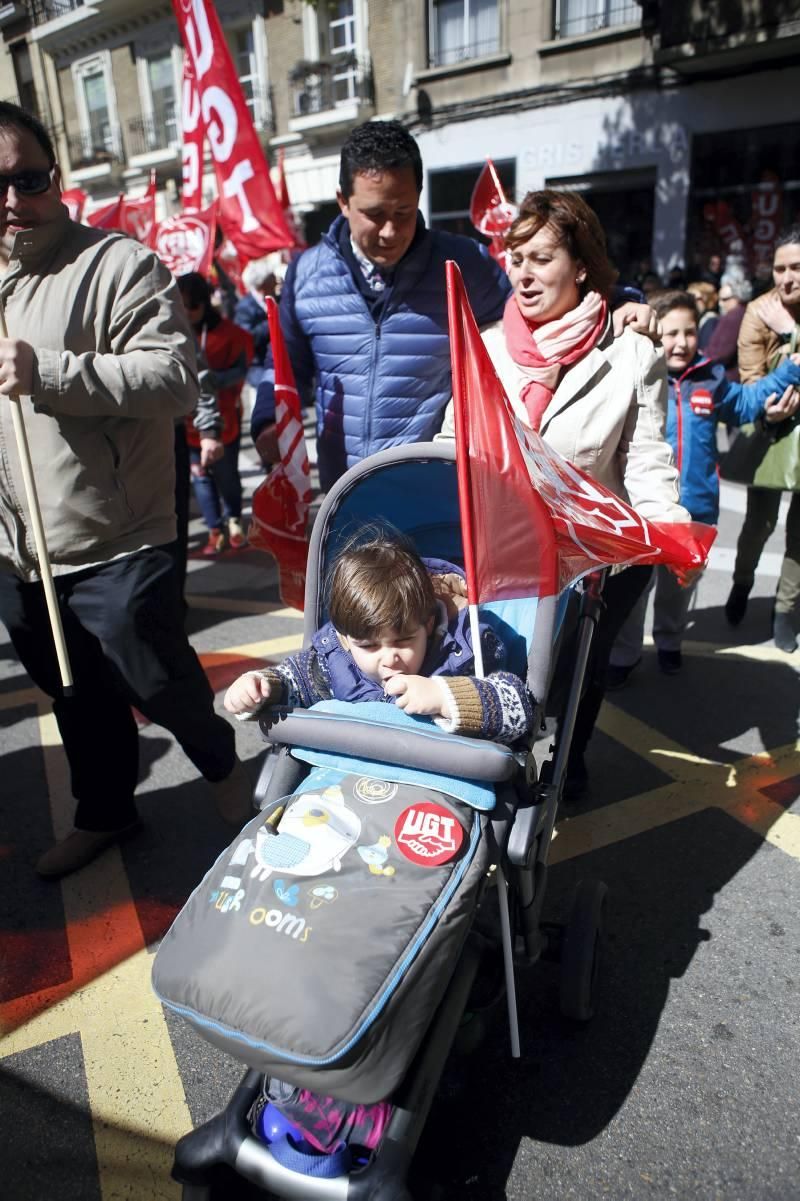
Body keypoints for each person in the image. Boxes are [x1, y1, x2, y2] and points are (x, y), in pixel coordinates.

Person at [0, 102, 251, 879]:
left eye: (27, 178)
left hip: (119, 535)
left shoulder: (119, 264)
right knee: (71, 692)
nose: (12, 200)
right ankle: (105, 813)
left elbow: (174, 379)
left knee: (156, 675)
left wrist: (47, 371)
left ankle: (229, 774)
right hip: (22, 549)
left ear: (56, 178)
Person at [472, 188, 692, 798]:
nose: (524, 273)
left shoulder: (632, 354)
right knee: (506, 674)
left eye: (541, 258)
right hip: (506, 553)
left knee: (576, 676)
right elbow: (453, 443)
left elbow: (646, 461)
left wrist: (668, 536)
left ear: (582, 265)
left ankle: (572, 756)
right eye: (516, 258)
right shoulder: (486, 349)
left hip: (597, 562)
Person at [250, 120, 513, 493]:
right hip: (343, 497)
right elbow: (285, 365)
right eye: (374, 214)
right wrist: (266, 419)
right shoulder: (306, 274)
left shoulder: (462, 265)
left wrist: (619, 301)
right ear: (343, 201)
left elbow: (536, 306)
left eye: (403, 212)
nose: (390, 232)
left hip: (435, 494)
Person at [609, 290, 800, 682]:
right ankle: (624, 656)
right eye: (671, 332)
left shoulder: (710, 376)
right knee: (633, 591)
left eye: (690, 332)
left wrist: (789, 371)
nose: (681, 342)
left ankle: (669, 643)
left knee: (678, 590)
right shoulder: (634, 371)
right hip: (639, 508)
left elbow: (746, 403)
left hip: (696, 508)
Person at [224, 528, 534, 746]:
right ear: (346, 639)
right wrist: (262, 686)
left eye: (403, 641)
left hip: (442, 790)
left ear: (427, 625)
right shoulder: (335, 659)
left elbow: (518, 709)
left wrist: (445, 697)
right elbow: (296, 681)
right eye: (369, 646)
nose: (389, 658)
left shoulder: (466, 650)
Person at [725, 225, 800, 652]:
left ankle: (785, 610)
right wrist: (771, 408)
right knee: (759, 524)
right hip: (767, 428)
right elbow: (752, 379)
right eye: (779, 268)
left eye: (796, 269)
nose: (786, 278)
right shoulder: (758, 311)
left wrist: (791, 334)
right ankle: (741, 583)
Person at [178, 272, 253, 555]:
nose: (187, 312)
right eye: (181, 305)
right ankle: (213, 529)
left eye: (193, 306)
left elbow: (241, 371)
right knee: (201, 479)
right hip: (187, 426)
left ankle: (234, 520)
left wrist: (209, 379)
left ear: (205, 304)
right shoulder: (170, 334)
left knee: (227, 477)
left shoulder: (230, 335)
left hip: (224, 423)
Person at [233, 253, 281, 430]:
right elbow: (246, 338)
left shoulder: (278, 300)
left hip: (278, 361)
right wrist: (272, 322)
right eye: (271, 277)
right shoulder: (245, 307)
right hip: (258, 366)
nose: (276, 280)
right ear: (262, 283)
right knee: (265, 416)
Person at [705, 273, 752, 382]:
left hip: (729, 379)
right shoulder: (746, 312)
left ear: (738, 297)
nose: (721, 304)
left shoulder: (734, 317)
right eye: (719, 300)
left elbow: (719, 353)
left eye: (725, 299)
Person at [687, 280, 719, 351]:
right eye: (689, 298)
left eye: (697, 298)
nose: (693, 302)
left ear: (707, 299)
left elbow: (704, 348)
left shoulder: (711, 320)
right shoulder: (698, 319)